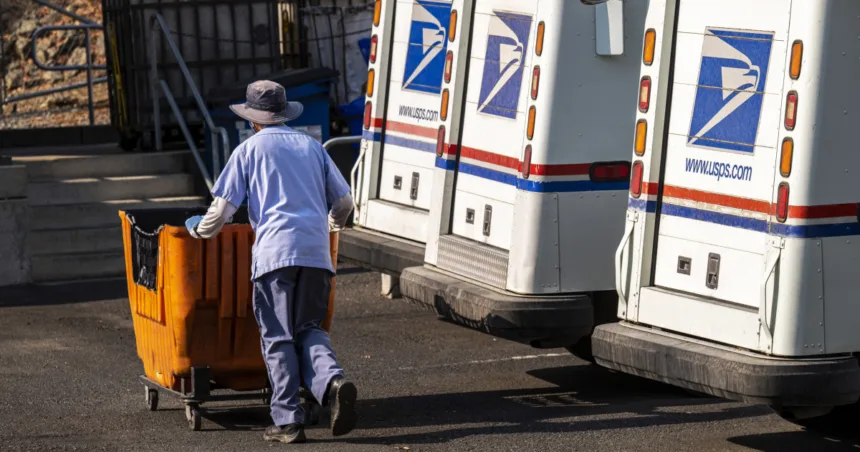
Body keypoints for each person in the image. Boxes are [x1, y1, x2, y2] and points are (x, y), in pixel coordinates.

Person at [184, 80, 357, 444]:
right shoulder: (312, 147)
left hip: (275, 256)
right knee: (310, 328)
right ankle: (332, 382)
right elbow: (344, 204)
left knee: (278, 338)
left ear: (253, 120)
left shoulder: (248, 151)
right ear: (284, 114)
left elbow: (222, 211)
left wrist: (198, 232)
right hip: (316, 254)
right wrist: (328, 227)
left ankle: (287, 421)